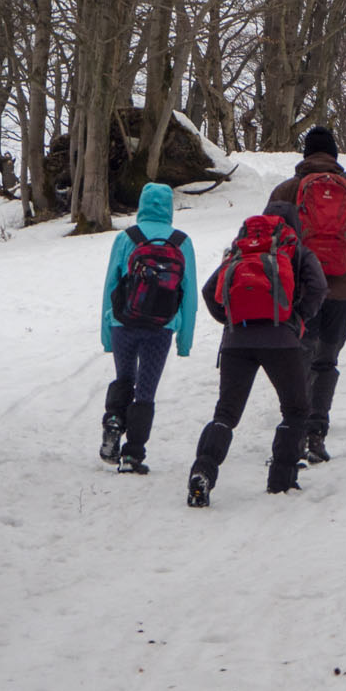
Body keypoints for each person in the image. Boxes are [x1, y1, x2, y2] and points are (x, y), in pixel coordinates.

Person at [186, 214, 328, 506]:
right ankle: (281, 480)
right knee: (296, 409)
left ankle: (203, 471)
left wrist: (230, 321)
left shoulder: (241, 249)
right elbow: (318, 287)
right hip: (282, 341)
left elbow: (209, 291)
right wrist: (297, 319)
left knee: (225, 413)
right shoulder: (296, 249)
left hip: (237, 340)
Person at [266, 125, 346, 465]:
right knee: (326, 362)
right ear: (335, 155)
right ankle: (316, 435)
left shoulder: (286, 191)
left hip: (299, 293)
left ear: (305, 154)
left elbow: (263, 245)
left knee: (299, 360)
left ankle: (295, 433)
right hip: (342, 295)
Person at [99, 182, 198, 474]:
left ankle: (114, 421)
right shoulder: (181, 241)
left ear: (142, 204)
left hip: (123, 323)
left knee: (124, 377)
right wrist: (185, 341)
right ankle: (133, 456)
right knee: (145, 390)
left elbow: (110, 286)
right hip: (161, 327)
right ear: (169, 208)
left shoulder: (127, 237)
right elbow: (189, 295)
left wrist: (107, 334)